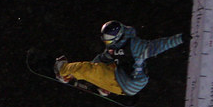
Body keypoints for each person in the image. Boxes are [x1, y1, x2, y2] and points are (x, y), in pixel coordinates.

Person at [54, 21, 184, 96]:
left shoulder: (135, 46)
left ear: (118, 37)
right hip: (122, 80)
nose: (107, 44)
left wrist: (180, 38)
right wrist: (93, 78)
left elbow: (160, 44)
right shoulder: (115, 47)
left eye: (108, 41)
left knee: (85, 68)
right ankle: (105, 87)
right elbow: (102, 60)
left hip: (130, 82)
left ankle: (62, 70)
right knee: (101, 65)